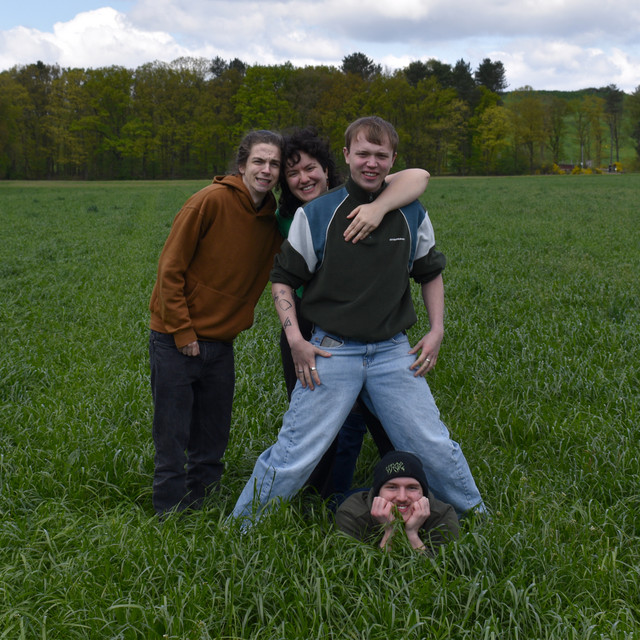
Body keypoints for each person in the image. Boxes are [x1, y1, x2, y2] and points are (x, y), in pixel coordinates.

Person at [231, 116, 484, 525]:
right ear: (347, 155)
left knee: (433, 446)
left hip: (392, 353)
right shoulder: (316, 214)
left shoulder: (411, 212)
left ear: (393, 160)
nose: (371, 163)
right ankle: (242, 526)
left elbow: (429, 272)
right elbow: (282, 280)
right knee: (294, 452)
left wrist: (437, 329)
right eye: (363, 153)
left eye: (381, 155)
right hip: (332, 352)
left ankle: (477, 518)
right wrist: (295, 339)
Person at [276, 128, 430, 498]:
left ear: (329, 167)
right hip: (305, 320)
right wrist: (294, 338)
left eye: (310, 169)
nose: (303, 178)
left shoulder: (359, 194)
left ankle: (399, 482)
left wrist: (379, 207)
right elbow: (281, 277)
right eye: (292, 173)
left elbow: (418, 176)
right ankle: (324, 494)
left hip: (367, 324)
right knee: (314, 419)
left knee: (379, 415)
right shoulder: (285, 215)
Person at [148, 130, 284, 516]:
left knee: (212, 433)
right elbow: (170, 268)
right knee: (172, 433)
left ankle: (203, 507)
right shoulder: (209, 201)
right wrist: (182, 331)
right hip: (175, 338)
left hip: (221, 343)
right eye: (259, 161)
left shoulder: (272, 221)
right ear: (242, 165)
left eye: (274, 164)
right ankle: (168, 513)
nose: (266, 169)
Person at [335, 451, 459, 553]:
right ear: (378, 493)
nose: (402, 497)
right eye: (392, 487)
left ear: (423, 492)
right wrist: (391, 531)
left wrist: (412, 534)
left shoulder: (443, 515)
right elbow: (357, 572)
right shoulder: (352, 514)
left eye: (412, 487)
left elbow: (445, 572)